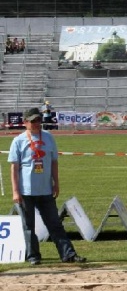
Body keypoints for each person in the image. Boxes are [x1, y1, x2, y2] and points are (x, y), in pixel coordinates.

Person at [8, 108, 86, 265]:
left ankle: (68, 254)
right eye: (33, 121)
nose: (37, 124)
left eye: (38, 120)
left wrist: (56, 183)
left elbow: (54, 162)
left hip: (46, 190)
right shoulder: (18, 140)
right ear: (25, 123)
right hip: (26, 191)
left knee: (55, 223)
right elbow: (14, 168)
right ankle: (33, 256)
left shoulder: (49, 138)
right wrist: (16, 191)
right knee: (29, 226)